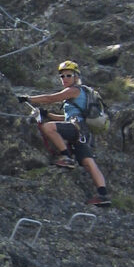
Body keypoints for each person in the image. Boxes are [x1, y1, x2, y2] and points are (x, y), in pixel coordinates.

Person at [19, 61, 111, 207]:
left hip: (76, 128)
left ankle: (66, 157)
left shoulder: (74, 90)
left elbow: (51, 98)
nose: (65, 78)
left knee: (48, 128)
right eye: (62, 76)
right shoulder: (82, 94)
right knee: (89, 162)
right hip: (84, 132)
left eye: (69, 75)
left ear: (76, 77)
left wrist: (27, 99)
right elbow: (65, 118)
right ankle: (103, 194)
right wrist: (47, 113)